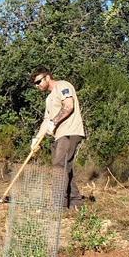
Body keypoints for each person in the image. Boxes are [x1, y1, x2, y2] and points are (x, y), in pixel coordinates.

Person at [30, 66, 86, 209]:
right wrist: (37, 139)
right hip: (59, 135)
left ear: (47, 77)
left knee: (59, 166)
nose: (37, 86)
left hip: (69, 132)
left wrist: (54, 122)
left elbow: (68, 106)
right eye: (35, 84)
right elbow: (46, 121)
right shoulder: (49, 99)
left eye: (39, 82)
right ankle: (75, 202)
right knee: (65, 166)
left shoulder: (63, 86)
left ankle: (58, 205)